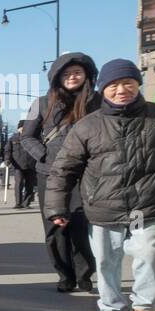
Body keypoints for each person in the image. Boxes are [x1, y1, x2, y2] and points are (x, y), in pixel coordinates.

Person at [46, 59, 155, 311]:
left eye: (127, 83)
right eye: (113, 85)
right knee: (106, 262)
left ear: (137, 84)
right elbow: (64, 168)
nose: (121, 89)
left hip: (148, 205)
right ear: (103, 89)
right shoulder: (87, 126)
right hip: (104, 207)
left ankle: (145, 309)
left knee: (149, 253)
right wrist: (56, 207)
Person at [20, 53, 98, 292]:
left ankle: (84, 274)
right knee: (55, 228)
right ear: (56, 78)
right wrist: (44, 156)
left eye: (76, 72)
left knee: (81, 225)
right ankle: (65, 275)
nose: (72, 77)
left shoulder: (98, 102)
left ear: (87, 75)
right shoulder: (40, 103)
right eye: (66, 73)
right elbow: (27, 137)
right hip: (50, 174)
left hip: (84, 175)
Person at [7, 120, 37, 208]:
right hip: (18, 165)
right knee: (19, 183)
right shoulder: (13, 138)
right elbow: (8, 150)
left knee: (30, 184)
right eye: (22, 128)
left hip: (31, 164)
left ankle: (26, 203)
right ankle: (18, 203)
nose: (23, 129)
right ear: (18, 128)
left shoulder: (33, 137)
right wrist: (7, 160)